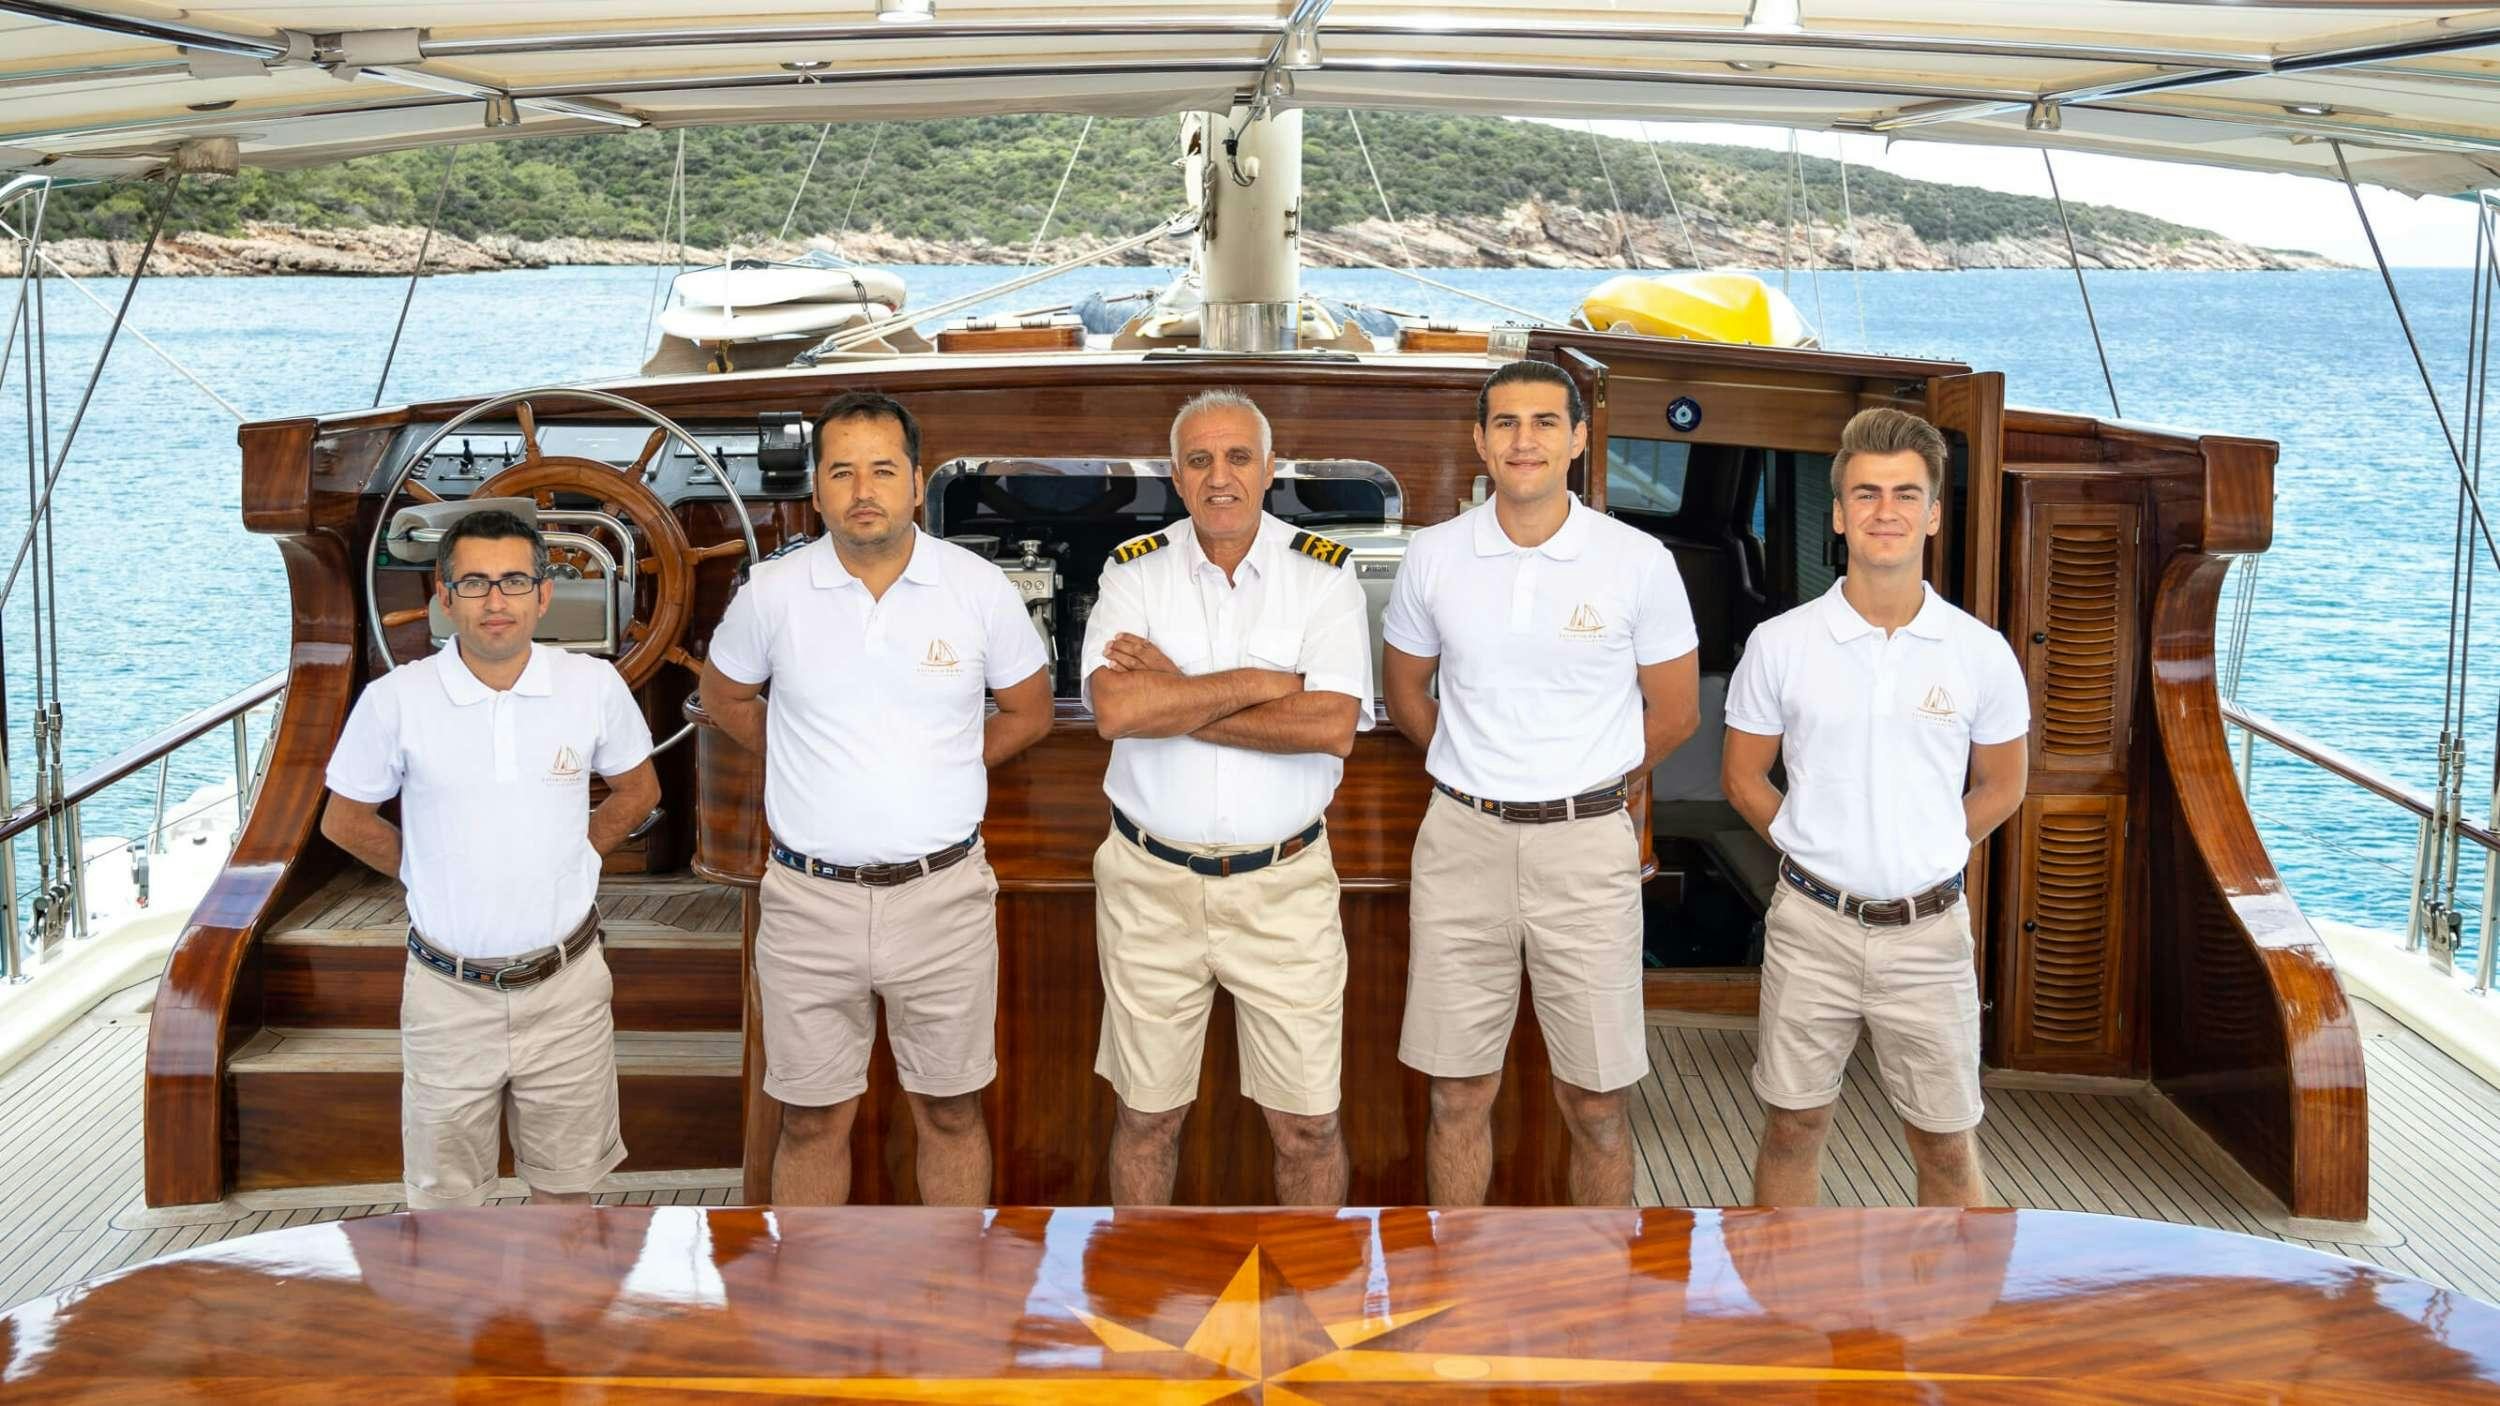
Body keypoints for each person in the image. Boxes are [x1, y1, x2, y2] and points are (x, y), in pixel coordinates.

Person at [700, 391, 1054, 1206]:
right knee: (811, 1122)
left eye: (884, 470)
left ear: (918, 483)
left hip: (944, 897)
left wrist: (945, 764)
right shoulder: (772, 593)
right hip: (806, 902)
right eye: (843, 472)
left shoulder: (977, 588)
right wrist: (802, 754)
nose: (864, 490)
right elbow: (725, 701)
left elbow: (1030, 712)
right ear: (817, 490)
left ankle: (956, 1308)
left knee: (953, 1112)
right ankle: (808, 1323)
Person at [1381, 360, 1701, 1207]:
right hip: (1461, 842)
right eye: (1508, 424)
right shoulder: (1434, 556)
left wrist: (1591, 782)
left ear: (1579, 439)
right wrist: (1476, 767)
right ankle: (1454, 1293)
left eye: (1546, 423)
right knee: (1456, 1093)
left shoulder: (1636, 561)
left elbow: (1673, 712)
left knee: (1596, 1101)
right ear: (1481, 441)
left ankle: (1602, 1302)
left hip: (1586, 849)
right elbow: (1405, 692)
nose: (1526, 440)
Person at [1721, 407, 2029, 1208]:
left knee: (1947, 1146)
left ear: (1931, 514)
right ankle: (1785, 1321)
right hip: (1810, 926)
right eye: (1865, 494)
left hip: (1929, 935)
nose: (1883, 511)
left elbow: (2004, 784)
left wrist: (1927, 844)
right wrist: (1806, 844)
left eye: (1903, 494)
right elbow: (1744, 777)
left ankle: (1954, 1334)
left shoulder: (1979, 652)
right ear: (1838, 513)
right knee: (1792, 1128)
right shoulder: (1781, 643)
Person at [321, 508, 660, 1210]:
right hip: (448, 996)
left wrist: (574, 851)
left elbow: (638, 790)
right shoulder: (395, 701)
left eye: (513, 580)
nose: (495, 600)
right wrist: (423, 867)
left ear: (544, 594)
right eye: (474, 583)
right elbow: (345, 820)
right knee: (446, 1215)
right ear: (443, 599)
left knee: (570, 1202)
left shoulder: (592, 687)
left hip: (567, 988)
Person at [1082, 388, 1372, 1206]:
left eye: (1238, 457)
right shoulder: (1130, 572)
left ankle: (1316, 1316)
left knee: (1308, 1126)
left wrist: (1179, 694)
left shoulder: (1322, 575)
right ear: (1175, 475)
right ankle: (1139, 1315)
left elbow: (1332, 725)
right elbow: (1119, 709)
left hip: (1283, 888)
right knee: (1147, 1119)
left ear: (1269, 468)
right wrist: (1252, 685)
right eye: (1201, 460)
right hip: (1150, 888)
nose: (1220, 477)